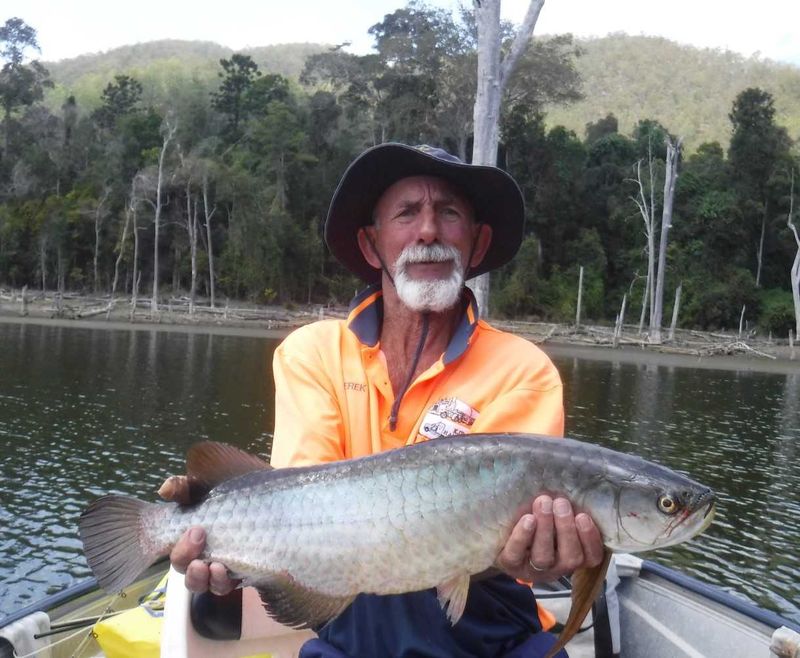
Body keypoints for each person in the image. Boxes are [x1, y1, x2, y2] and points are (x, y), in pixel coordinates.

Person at [165, 143, 605, 657]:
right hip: (352, 635)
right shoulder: (313, 352)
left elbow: (511, 538)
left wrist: (541, 553)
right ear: (372, 246)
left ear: (478, 243)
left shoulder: (523, 369)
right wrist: (231, 536)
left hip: (491, 639)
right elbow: (305, 513)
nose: (427, 232)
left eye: (449, 213)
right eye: (405, 213)